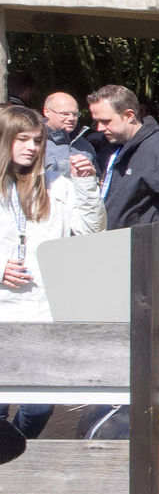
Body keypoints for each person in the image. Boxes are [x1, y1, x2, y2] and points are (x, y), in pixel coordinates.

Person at [0, 104, 103, 438]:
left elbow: (91, 231)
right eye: (22, 139)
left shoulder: (57, 185)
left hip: (42, 314)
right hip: (4, 312)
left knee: (39, 406)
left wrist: (86, 185)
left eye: (36, 140)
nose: (31, 147)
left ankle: (17, 451)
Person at [86, 85, 159, 229]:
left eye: (106, 121)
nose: (99, 128)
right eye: (97, 121)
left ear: (129, 116)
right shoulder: (116, 145)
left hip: (145, 239)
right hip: (115, 238)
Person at [38, 92, 93, 182]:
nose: (71, 118)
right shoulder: (36, 143)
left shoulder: (85, 145)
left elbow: (97, 180)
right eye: (65, 114)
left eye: (75, 114)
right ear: (47, 111)